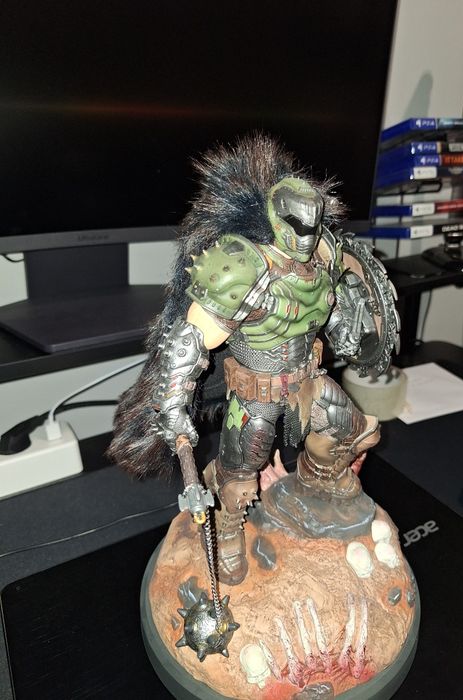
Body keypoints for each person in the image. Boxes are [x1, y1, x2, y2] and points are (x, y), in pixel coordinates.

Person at [108, 134, 398, 586]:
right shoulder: (244, 267)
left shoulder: (326, 257)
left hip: (308, 381)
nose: (305, 236)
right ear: (276, 219)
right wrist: (173, 403)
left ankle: (313, 488)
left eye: (312, 225)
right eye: (295, 225)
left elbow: (343, 312)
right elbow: (192, 338)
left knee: (354, 430)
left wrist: (352, 325)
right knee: (241, 474)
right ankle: (228, 529)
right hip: (255, 394)